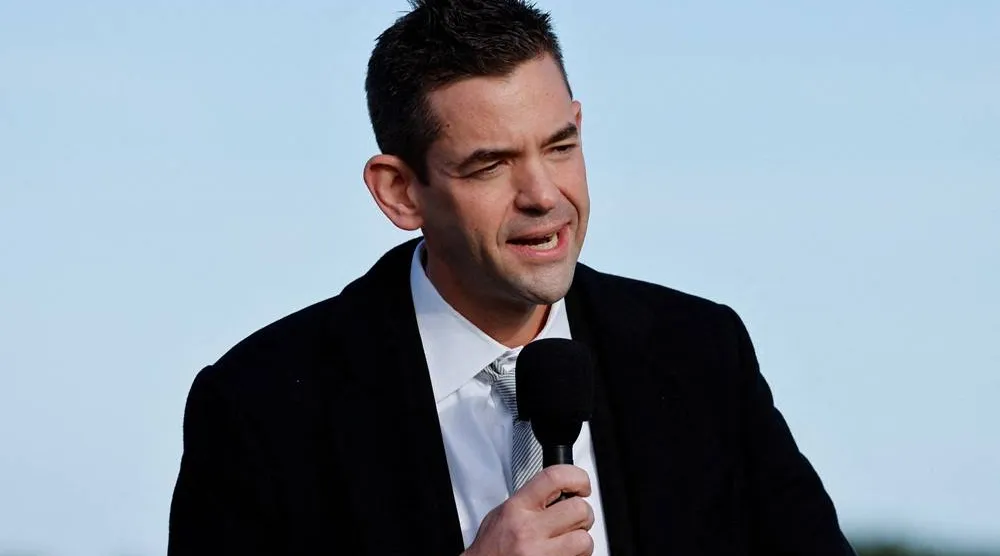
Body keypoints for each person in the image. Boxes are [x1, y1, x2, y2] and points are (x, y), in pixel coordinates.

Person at [167, 0, 856, 554]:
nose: (544, 195)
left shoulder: (700, 351)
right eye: (490, 165)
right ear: (400, 192)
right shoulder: (261, 406)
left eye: (560, 147)